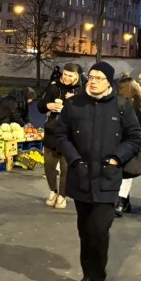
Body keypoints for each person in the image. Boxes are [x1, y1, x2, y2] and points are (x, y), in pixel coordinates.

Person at [55, 61, 141, 281]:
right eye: (90, 77)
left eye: (98, 78)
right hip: (81, 176)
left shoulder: (122, 106)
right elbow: (61, 134)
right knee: (84, 230)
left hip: (107, 178)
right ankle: (86, 275)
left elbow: (135, 136)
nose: (92, 81)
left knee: (98, 230)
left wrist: (117, 158)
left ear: (109, 82)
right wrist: (74, 160)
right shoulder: (74, 104)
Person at [36, 63, 82, 210]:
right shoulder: (54, 85)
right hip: (52, 130)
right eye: (65, 75)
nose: (66, 78)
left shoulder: (82, 90)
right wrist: (48, 106)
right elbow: (40, 105)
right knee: (49, 164)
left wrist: (73, 102)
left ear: (77, 76)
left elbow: (88, 111)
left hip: (71, 134)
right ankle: (53, 191)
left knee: (65, 167)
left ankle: (62, 196)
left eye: (70, 76)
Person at [116, 76, 141, 216]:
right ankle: (124, 201)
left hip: (129, 140)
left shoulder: (129, 105)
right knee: (126, 170)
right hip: (138, 140)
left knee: (125, 172)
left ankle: (120, 201)